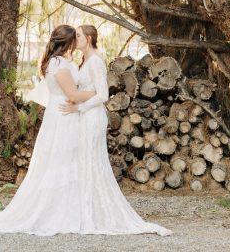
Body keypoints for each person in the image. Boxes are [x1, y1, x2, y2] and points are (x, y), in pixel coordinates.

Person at [0, 24, 89, 236]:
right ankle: (59, 211)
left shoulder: (55, 62)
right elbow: (72, 94)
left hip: (59, 115)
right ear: (69, 42)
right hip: (65, 115)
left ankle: (68, 208)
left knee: (62, 161)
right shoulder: (60, 64)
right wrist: (95, 94)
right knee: (62, 161)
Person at [61, 24, 171, 236]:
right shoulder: (84, 62)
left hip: (92, 116)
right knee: (84, 162)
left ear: (90, 38)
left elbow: (103, 95)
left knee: (91, 162)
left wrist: (79, 107)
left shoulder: (95, 62)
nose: (76, 39)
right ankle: (86, 212)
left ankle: (96, 215)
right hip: (84, 116)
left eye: (79, 36)